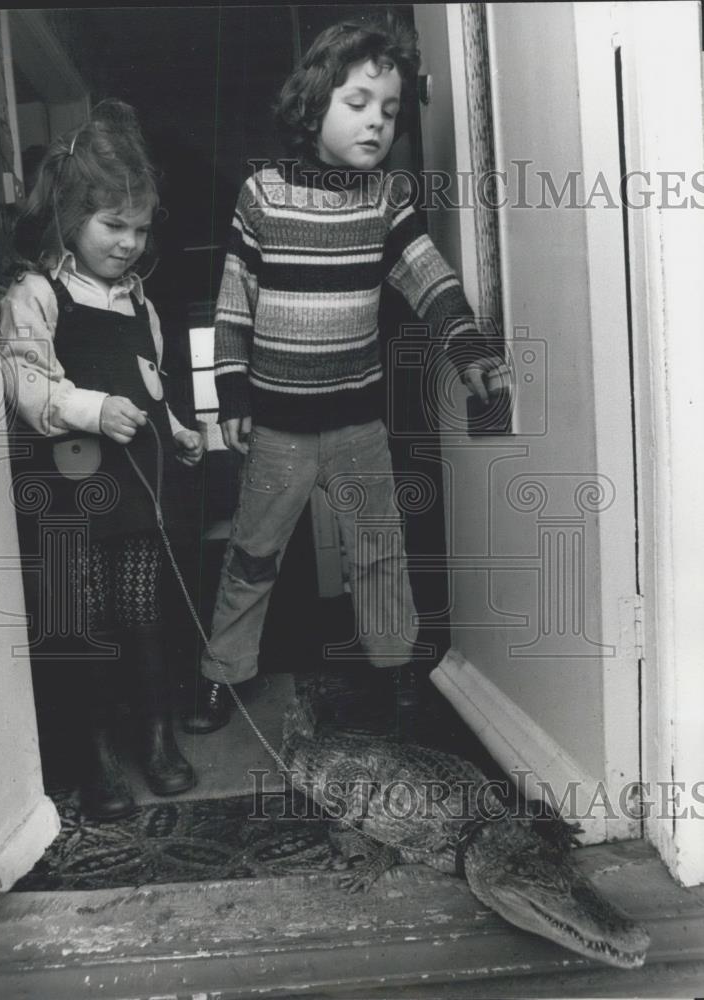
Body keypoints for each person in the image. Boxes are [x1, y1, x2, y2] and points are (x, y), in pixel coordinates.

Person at [191, 17, 503, 733]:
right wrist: (231, 392)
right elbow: (234, 300)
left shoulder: (386, 199)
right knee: (252, 556)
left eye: (390, 111)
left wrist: (469, 350)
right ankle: (222, 674)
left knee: (379, 555)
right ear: (313, 104)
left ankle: (398, 675)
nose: (377, 123)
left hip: (358, 426)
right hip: (277, 431)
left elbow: (428, 277)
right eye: (358, 103)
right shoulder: (262, 195)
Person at [0, 100, 204, 820]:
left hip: (135, 489)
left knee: (145, 614)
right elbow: (29, 388)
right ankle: (97, 758)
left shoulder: (138, 300)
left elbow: (151, 383)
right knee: (79, 623)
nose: (127, 243)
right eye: (112, 225)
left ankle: (156, 738)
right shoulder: (37, 294)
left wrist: (176, 425)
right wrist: (91, 408)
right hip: (69, 494)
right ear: (70, 217)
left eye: (140, 229)